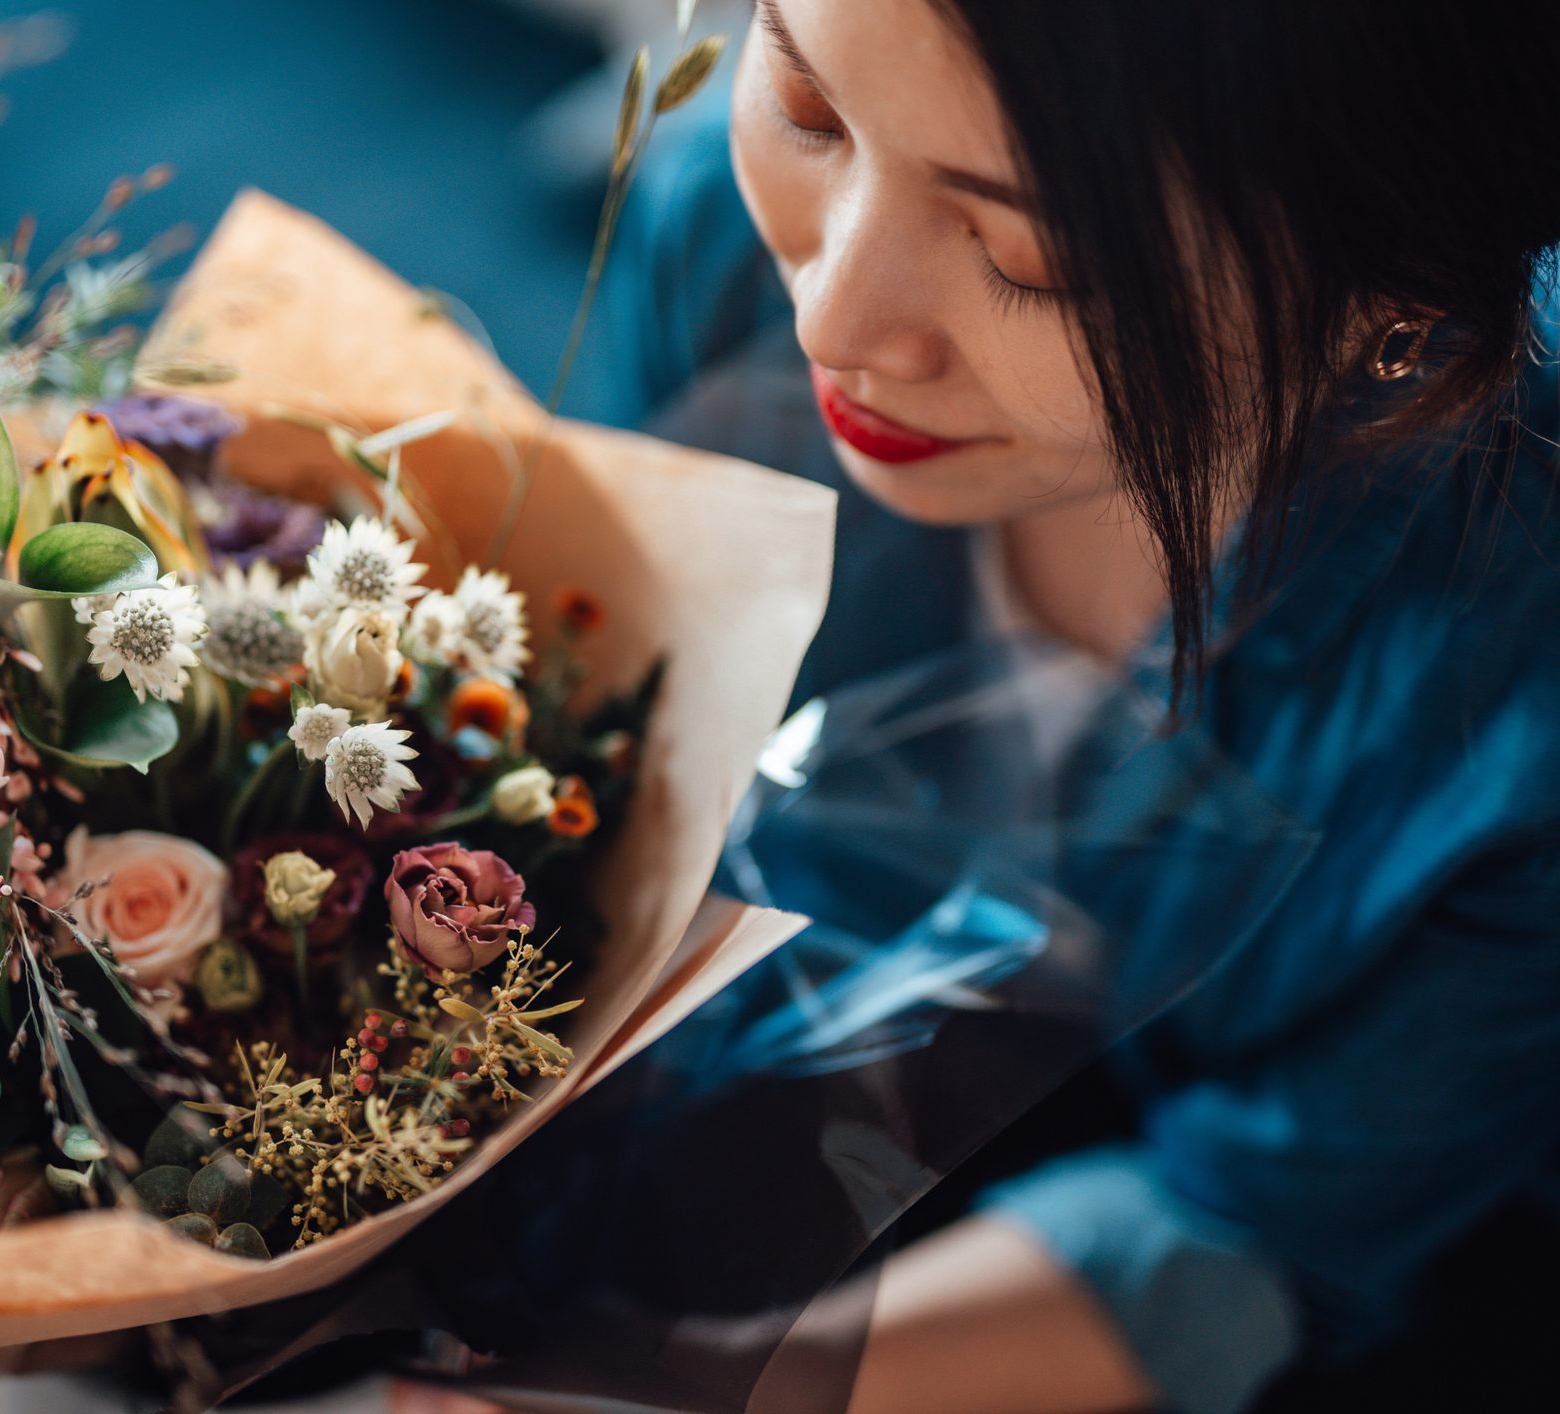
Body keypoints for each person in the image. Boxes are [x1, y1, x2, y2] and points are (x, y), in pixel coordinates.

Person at [401, 2, 1560, 1412]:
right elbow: (615, 716)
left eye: (1035, 257)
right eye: (813, 110)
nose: (829, 313)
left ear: (1398, 299)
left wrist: (690, 1387)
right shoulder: (713, 208)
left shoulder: (1507, 677)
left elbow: (1261, 1234)